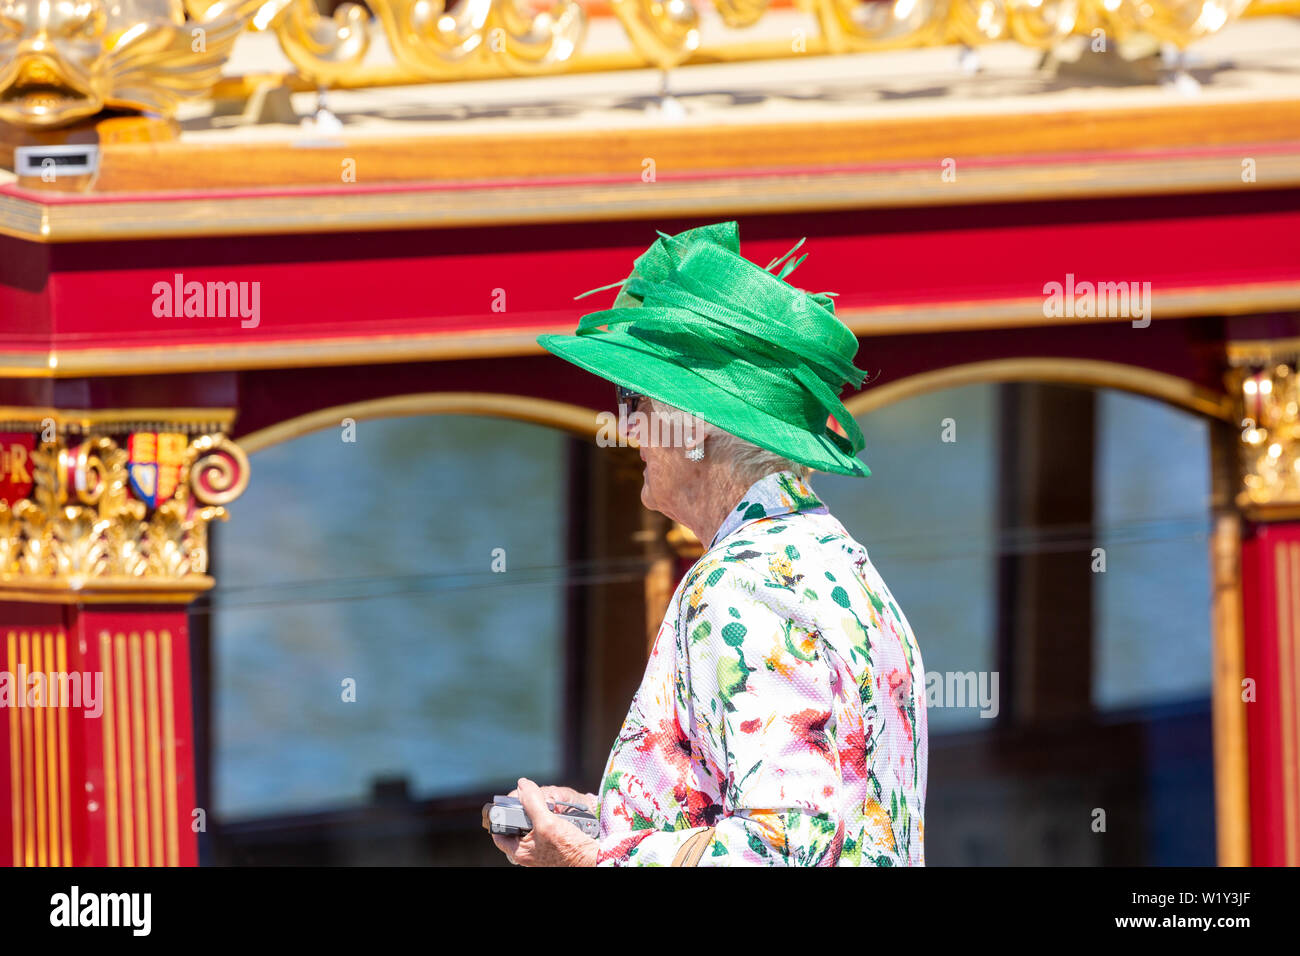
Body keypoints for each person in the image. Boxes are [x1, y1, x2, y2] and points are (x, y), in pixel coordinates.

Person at [491, 220, 927, 866]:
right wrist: (612, 821)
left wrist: (589, 861)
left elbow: (785, 847)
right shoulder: (834, 555)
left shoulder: (742, 583)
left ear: (692, 428)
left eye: (632, 398)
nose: (627, 425)